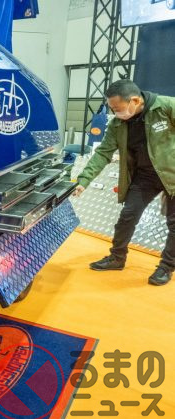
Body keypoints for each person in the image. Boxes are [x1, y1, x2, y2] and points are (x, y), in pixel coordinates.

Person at [74, 80, 175, 285]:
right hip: (145, 176)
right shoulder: (117, 124)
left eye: (117, 108)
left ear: (135, 101)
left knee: (174, 224)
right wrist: (83, 180)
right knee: (127, 215)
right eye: (112, 109)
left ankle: (166, 267)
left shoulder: (166, 106)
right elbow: (103, 153)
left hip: (172, 174)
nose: (115, 113)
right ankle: (117, 257)